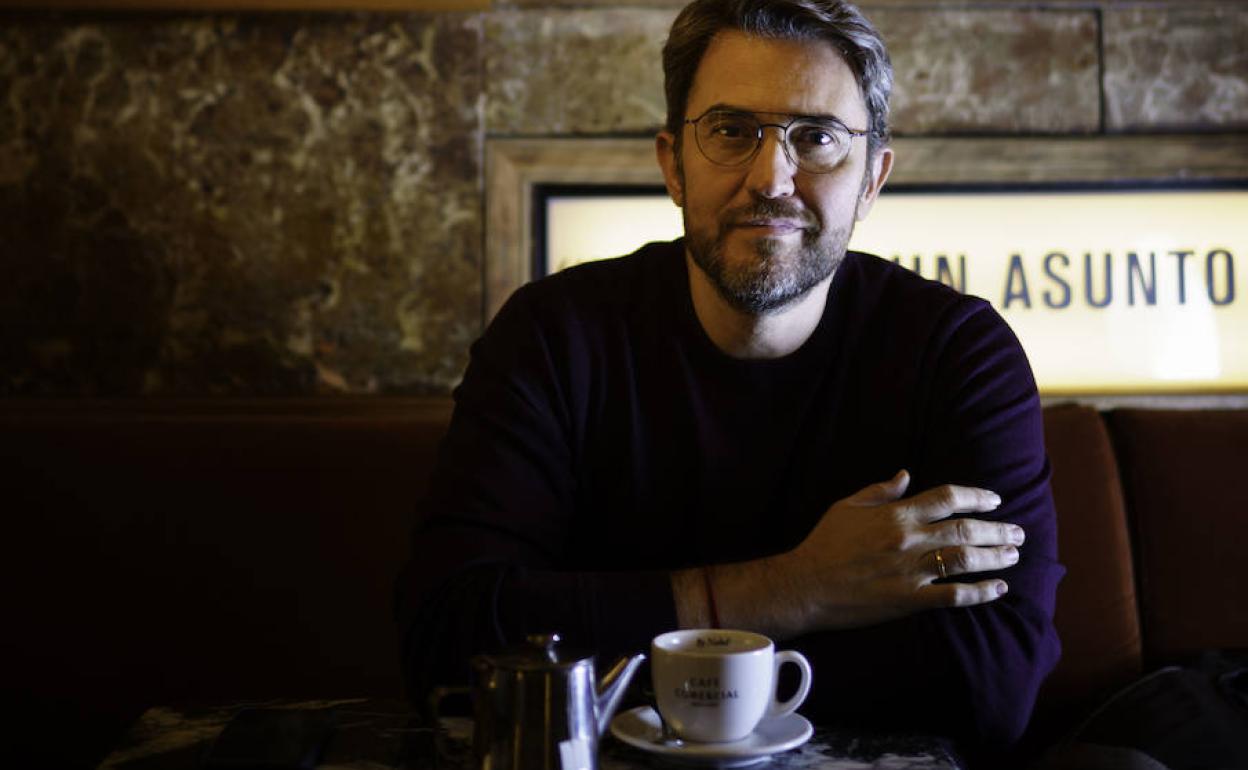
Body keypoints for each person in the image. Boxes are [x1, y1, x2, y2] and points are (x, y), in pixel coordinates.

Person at [396, 0, 1063, 762]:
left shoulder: (959, 354)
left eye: (817, 137)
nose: (771, 177)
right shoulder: (554, 337)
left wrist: (637, 633)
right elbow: (448, 639)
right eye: (731, 131)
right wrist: (797, 589)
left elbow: (992, 685)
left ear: (872, 180)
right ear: (673, 164)